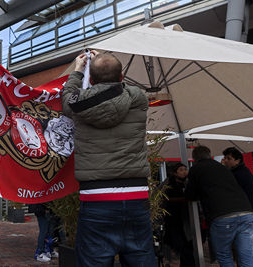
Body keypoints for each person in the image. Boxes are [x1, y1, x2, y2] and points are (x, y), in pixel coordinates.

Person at [62, 51, 155, 266]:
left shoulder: (78, 104)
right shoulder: (138, 98)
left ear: (91, 80)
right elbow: (120, 88)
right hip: (136, 195)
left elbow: (68, 97)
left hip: (95, 198)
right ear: (122, 77)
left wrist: (78, 70)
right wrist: (104, 66)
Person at [185, 146, 253, 267]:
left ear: (195, 158)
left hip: (222, 215)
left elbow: (190, 195)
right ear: (209, 154)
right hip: (246, 213)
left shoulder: (196, 169)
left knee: (224, 254)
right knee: (246, 255)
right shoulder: (223, 168)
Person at [163, 163, 195, 267]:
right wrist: (183, 199)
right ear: (175, 172)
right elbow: (165, 199)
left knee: (187, 245)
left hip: (186, 219)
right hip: (174, 219)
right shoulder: (169, 184)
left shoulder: (188, 183)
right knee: (182, 245)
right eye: (181, 170)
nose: (184, 171)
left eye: (185, 169)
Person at [222, 147, 253, 216]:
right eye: (225, 158)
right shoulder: (237, 171)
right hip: (244, 210)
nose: (225, 160)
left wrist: (223, 169)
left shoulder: (240, 173)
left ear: (237, 161)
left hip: (244, 211)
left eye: (229, 158)